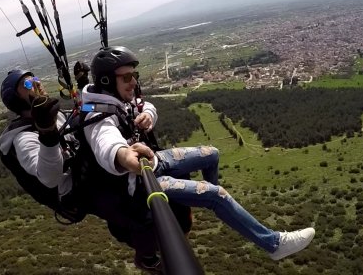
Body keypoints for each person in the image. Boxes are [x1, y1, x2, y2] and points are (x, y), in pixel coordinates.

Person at [81, 46, 316, 262]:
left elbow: (146, 105)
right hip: (142, 182)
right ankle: (273, 244)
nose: (133, 82)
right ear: (107, 81)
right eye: (127, 77)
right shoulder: (97, 117)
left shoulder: (120, 99)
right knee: (216, 194)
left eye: (135, 76)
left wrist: (149, 116)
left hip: (155, 161)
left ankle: (216, 205)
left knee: (211, 154)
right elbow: (106, 143)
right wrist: (123, 155)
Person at [0, 69, 165, 273]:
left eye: (36, 79)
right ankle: (147, 257)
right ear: (17, 99)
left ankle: (124, 229)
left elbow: (79, 111)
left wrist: (85, 84)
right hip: (77, 190)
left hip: (85, 169)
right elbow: (50, 179)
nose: (37, 84)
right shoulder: (23, 139)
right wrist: (47, 133)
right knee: (142, 216)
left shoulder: (55, 113)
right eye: (28, 85)